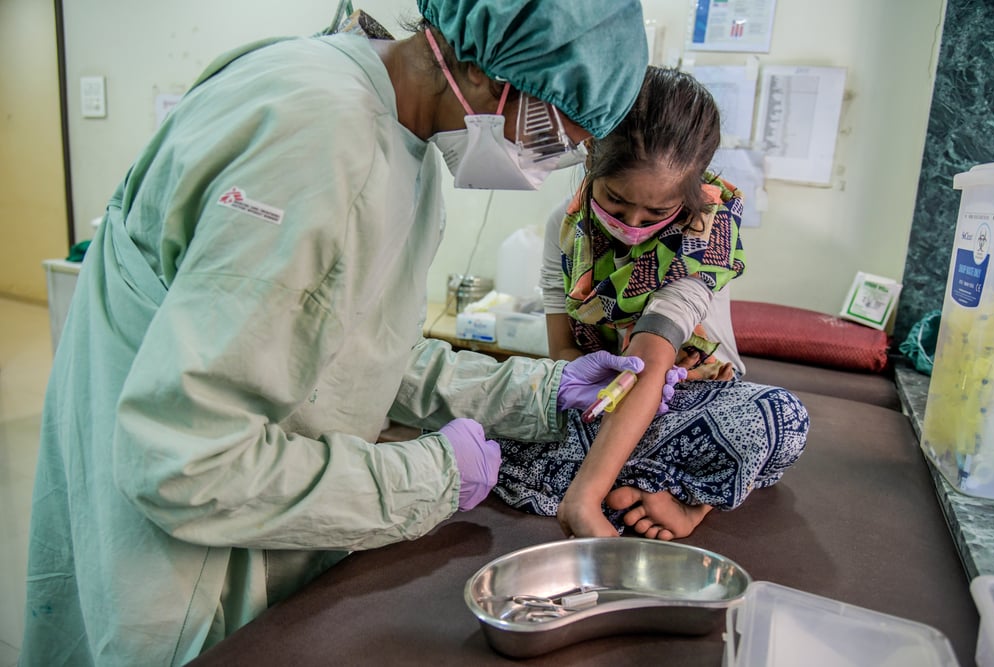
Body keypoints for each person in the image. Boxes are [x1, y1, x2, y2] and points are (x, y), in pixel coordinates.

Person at [21, 2, 650, 664]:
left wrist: (537, 391)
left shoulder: (391, 133)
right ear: (494, 78)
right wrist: (428, 475)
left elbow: (349, 345)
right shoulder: (319, 139)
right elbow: (185, 459)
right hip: (186, 561)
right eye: (553, 140)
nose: (547, 164)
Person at [493, 67, 810, 541]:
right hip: (601, 403)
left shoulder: (707, 234)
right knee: (492, 416)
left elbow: (650, 361)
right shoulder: (567, 226)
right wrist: (592, 394)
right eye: (616, 204)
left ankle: (639, 493)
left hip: (691, 401)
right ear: (590, 157)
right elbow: (561, 353)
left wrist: (584, 498)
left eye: (657, 213)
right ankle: (653, 489)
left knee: (777, 418)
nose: (633, 223)